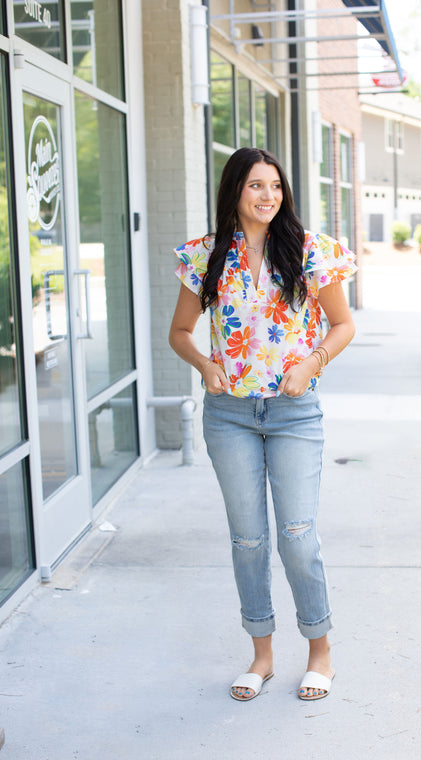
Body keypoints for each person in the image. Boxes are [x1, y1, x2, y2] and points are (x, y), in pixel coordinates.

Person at [169, 147, 356, 701]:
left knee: (297, 536)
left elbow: (343, 324)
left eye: (275, 185)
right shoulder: (204, 256)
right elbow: (180, 332)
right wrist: (204, 366)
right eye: (255, 185)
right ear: (234, 191)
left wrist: (311, 363)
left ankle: (320, 651)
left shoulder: (310, 250)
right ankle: (263, 654)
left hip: (294, 414)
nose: (268, 195)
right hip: (230, 416)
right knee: (248, 540)